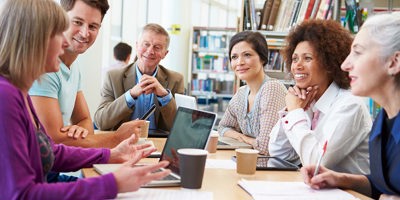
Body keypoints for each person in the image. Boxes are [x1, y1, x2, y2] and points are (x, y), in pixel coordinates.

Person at [0, 0, 169, 199]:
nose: (65, 43)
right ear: (34, 39)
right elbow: (21, 194)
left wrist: (110, 155)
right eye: (58, 33)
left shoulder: (18, 92)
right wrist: (112, 182)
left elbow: (51, 151)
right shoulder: (6, 97)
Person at [301, 12, 400, 200]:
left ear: (394, 62)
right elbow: (386, 185)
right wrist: (342, 179)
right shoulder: (383, 120)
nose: (345, 65)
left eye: (358, 52)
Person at [29, 0, 139, 148]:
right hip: (38, 169)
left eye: (93, 26)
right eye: (77, 22)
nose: (84, 33)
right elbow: (52, 141)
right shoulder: (45, 66)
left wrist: (80, 131)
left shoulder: (73, 66)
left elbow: (85, 120)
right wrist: (117, 137)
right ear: (60, 19)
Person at [268, 19, 372, 174]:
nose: (297, 65)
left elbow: (316, 163)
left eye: (307, 58)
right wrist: (293, 111)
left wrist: (295, 112)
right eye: (295, 58)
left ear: (329, 64)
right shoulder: (309, 102)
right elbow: (279, 153)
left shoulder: (349, 106)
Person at [94, 23, 185, 131]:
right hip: (123, 143)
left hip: (159, 144)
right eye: (146, 44)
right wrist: (130, 95)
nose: (150, 51)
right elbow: (101, 122)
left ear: (165, 53)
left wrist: (164, 96)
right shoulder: (113, 77)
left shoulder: (176, 80)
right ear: (137, 46)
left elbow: (180, 128)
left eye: (157, 47)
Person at [217, 31, 287, 155]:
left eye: (247, 55)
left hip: (280, 168)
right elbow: (222, 128)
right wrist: (248, 140)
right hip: (255, 163)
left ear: (262, 58)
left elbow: (265, 147)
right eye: (234, 57)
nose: (240, 62)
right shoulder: (241, 93)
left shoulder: (272, 88)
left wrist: (242, 139)